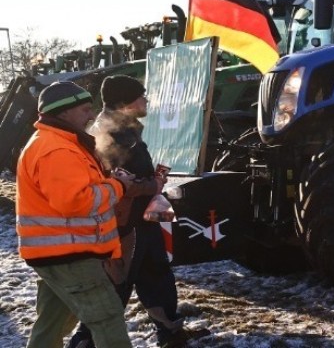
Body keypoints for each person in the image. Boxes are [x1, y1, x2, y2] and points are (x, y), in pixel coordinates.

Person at [67, 75, 208, 348]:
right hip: (124, 227)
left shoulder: (124, 129)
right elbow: (116, 182)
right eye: (141, 96)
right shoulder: (112, 134)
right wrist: (151, 185)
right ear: (126, 102)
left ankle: (170, 331)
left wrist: (150, 186)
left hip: (141, 222)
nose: (146, 101)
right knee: (116, 286)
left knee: (156, 275)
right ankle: (86, 340)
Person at [16, 81, 140, 348]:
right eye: (84, 109)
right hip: (70, 256)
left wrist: (107, 180)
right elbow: (77, 201)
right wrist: (118, 186)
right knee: (108, 320)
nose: (90, 115)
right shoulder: (56, 149)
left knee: (52, 323)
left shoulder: (58, 143)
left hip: (57, 254)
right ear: (63, 114)